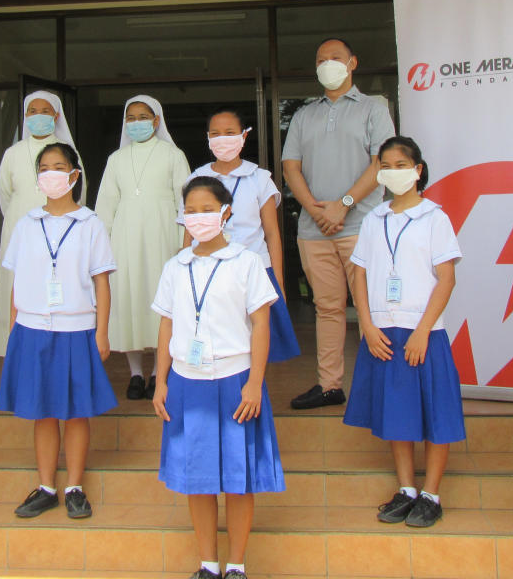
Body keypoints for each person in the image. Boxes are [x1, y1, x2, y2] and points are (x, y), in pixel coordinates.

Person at [152, 176, 285, 579]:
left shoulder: (246, 262)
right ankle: (208, 563)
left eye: (206, 209)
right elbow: (166, 326)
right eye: (190, 210)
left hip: (235, 379)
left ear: (225, 212)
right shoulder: (176, 266)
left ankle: (237, 565)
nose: (198, 217)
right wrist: (161, 382)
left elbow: (261, 325)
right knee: (199, 477)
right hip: (186, 382)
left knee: (238, 478)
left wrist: (255, 383)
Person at [341, 136, 464, 528]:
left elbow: (446, 279)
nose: (392, 172)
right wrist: (366, 323)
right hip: (383, 332)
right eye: (385, 165)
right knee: (398, 413)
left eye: (400, 164)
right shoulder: (374, 220)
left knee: (435, 412)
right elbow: (359, 273)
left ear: (417, 170)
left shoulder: (435, 218)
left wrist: (423, 330)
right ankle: (406, 488)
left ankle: (431, 493)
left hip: (422, 332)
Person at [0, 143, 117, 519]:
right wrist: (15, 323)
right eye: (43, 168)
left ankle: (75, 486)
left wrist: (101, 332)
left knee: (76, 411)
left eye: (58, 167)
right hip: (32, 328)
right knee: (43, 411)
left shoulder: (90, 223)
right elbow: (16, 279)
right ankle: (47, 485)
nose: (50, 174)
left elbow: (101, 283)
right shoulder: (27, 224)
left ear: (74, 175)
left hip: (77, 327)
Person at [282, 38, 395, 409]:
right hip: (314, 232)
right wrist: (317, 212)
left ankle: (376, 386)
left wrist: (344, 205)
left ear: (352, 62)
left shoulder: (373, 109)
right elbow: (291, 167)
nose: (327, 64)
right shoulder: (303, 115)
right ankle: (330, 385)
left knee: (371, 309)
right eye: (320, 60)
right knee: (327, 309)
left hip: (361, 226)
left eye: (335, 58)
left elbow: (382, 162)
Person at [183, 109, 299, 364]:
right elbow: (187, 233)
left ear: (244, 136)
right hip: (207, 269)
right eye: (215, 134)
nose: (222, 139)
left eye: (229, 133)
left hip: (253, 271)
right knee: (216, 340)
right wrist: (184, 270)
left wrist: (277, 282)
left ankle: (252, 393)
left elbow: (271, 234)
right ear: (208, 138)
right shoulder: (197, 178)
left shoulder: (259, 178)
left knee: (255, 343)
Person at [95, 95, 190, 399]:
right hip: (124, 238)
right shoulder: (116, 159)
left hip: (164, 236)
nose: (137, 122)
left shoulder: (173, 154)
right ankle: (136, 374)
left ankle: (156, 373)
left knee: (159, 301)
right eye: (131, 117)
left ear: (157, 120)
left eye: (143, 116)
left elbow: (185, 201)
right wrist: (101, 247)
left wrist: (183, 245)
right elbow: (105, 206)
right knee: (129, 300)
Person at [0, 90, 86, 356]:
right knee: (19, 288)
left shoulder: (69, 152)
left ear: (56, 116)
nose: (38, 116)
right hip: (20, 229)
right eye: (32, 111)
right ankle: (15, 350)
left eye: (45, 111)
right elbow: (5, 196)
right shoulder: (13, 153)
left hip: (61, 230)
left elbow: (80, 192)